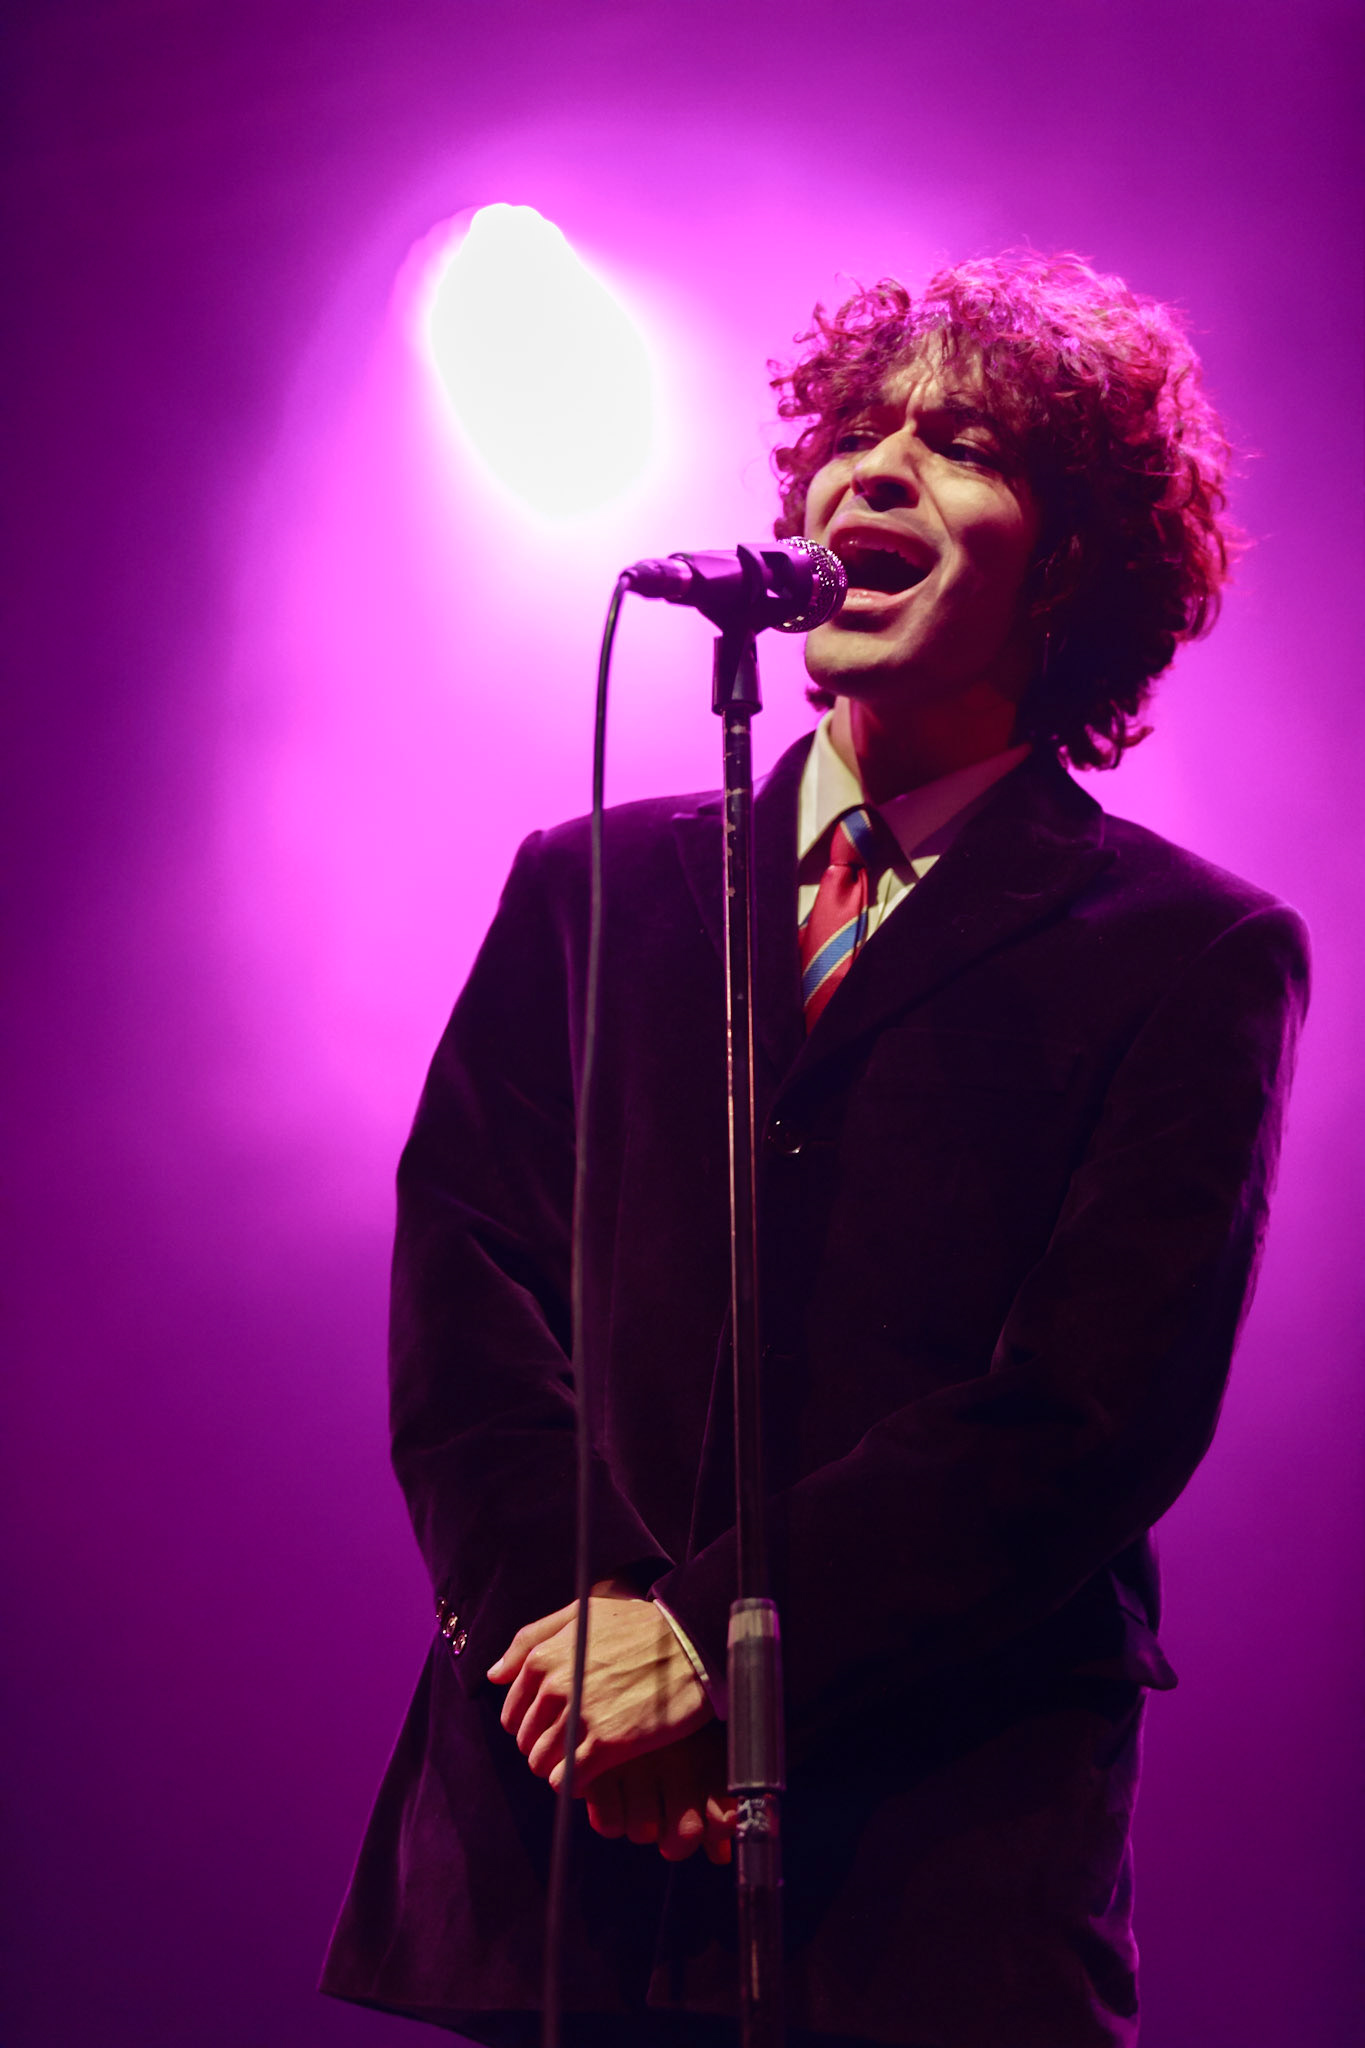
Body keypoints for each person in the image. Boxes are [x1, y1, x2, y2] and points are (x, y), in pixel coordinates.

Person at [321, 253, 1308, 2048]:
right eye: (858, 432)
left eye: (961, 446)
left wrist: (721, 1651)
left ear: (1068, 559)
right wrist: (579, 1645)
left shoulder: (1191, 953)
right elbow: (465, 1288)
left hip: (926, 1856)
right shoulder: (589, 884)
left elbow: (1092, 1406)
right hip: (564, 1840)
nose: (877, 468)